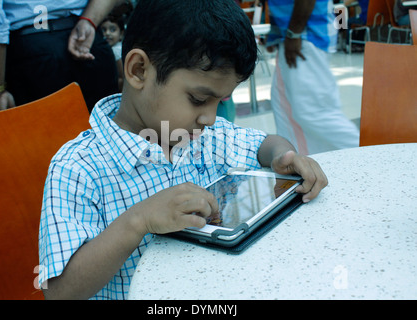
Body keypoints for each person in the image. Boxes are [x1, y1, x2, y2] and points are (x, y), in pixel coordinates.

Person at [38, 0, 328, 300]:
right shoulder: (78, 168)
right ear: (139, 71)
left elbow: (264, 146)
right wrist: (138, 221)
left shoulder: (207, 137)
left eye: (222, 102)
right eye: (199, 99)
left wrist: (285, 157)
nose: (211, 118)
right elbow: (59, 292)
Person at [0, 0, 124, 113]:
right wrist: (88, 22)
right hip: (89, 38)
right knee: (107, 147)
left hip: (33, 54)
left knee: (45, 152)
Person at [267, 0, 360, 155]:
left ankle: (372, 155)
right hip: (292, 36)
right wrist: (277, 34)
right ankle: (301, 165)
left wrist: (293, 33)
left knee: (313, 112)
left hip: (304, 36)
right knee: (285, 111)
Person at [100, 12, 125, 92]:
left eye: (112, 30)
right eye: (103, 30)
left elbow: (121, 77)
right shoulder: (113, 49)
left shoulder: (116, 51)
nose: (107, 33)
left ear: (121, 34)